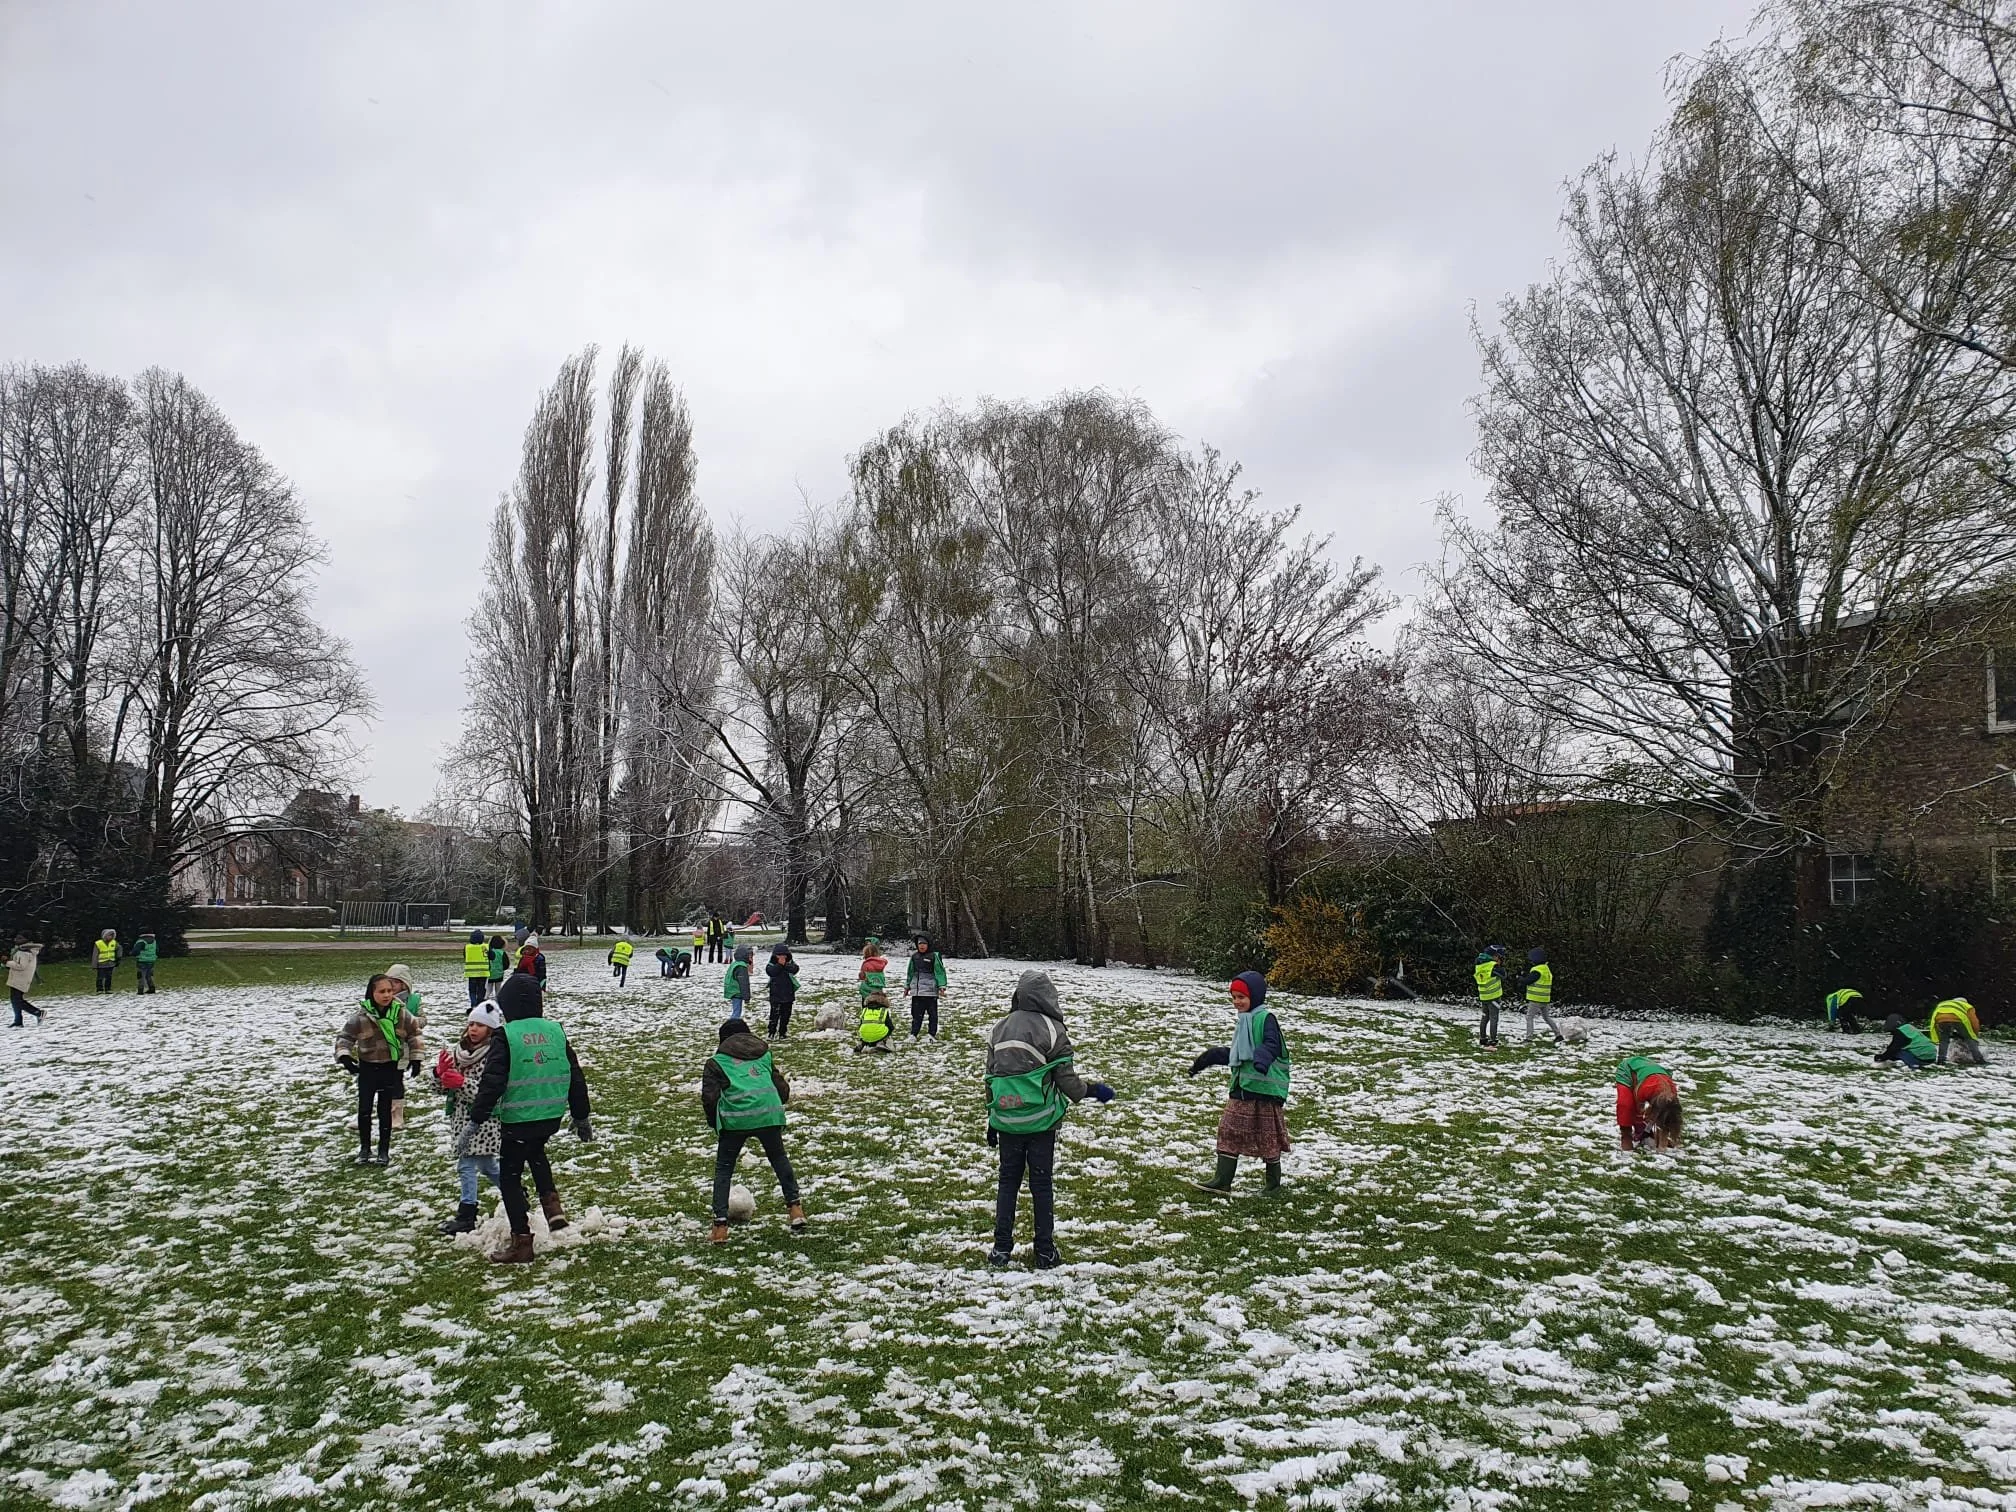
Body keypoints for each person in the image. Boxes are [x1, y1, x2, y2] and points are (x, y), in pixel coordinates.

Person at [984, 968, 1113, 1268]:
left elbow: (991, 1078)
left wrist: (992, 1117)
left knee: (1008, 1181)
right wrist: (1095, 1091)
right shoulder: (1053, 1030)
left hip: (1007, 1120)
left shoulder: (998, 1029)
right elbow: (1069, 1084)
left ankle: (1001, 1248)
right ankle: (1045, 1250)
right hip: (1041, 1121)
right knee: (1041, 1185)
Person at [464, 971, 593, 1264]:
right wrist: (581, 1115)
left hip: (518, 1117)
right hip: (549, 1115)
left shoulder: (506, 1036)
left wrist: (476, 1118)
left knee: (510, 1177)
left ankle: (521, 1241)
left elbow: (492, 1082)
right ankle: (552, 1208)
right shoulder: (556, 1031)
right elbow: (575, 1075)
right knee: (536, 1153)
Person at [702, 1016, 806, 1244]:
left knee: (724, 1169)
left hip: (735, 1120)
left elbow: (709, 1099)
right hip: (768, 1114)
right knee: (779, 1159)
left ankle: (720, 1227)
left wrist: (715, 1123)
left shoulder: (716, 1062)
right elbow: (781, 1088)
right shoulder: (764, 1054)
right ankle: (795, 1209)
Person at [1187, 971, 1292, 1194]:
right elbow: (1236, 1054)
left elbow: (1272, 1045)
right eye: (1234, 997)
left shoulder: (1266, 1019)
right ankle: (1222, 1181)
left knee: (1268, 1138)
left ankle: (1273, 1186)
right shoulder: (1244, 1022)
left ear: (1255, 996)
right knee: (1228, 1131)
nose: (1237, 1002)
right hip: (1242, 1089)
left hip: (1266, 1091)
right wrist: (1204, 1061)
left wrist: (1262, 1060)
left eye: (1241, 997)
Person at [335, 972, 426, 1166]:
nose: (387, 995)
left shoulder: (400, 1013)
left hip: (390, 1068)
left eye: (390, 991)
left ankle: (384, 1150)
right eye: (382, 991)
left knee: (385, 1109)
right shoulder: (361, 1016)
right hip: (368, 1068)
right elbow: (345, 1037)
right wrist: (344, 1056)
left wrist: (416, 1058)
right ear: (372, 993)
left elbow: (415, 1034)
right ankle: (365, 1148)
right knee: (365, 1109)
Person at [431, 1002, 505, 1233]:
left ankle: (467, 1214)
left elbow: (490, 1094)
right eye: (471, 1023)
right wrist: (439, 1074)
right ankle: (513, 1190)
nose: (473, 1029)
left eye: (481, 1025)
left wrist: (462, 1084)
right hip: (461, 1120)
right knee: (486, 1166)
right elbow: (440, 1089)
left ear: (491, 1029)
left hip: (484, 1122)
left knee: (466, 1165)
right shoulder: (458, 1052)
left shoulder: (494, 1055)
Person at [1615, 1055, 1682, 1151]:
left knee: (1666, 1116)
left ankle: (1656, 1137)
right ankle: (1626, 1135)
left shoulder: (1672, 1094)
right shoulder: (1645, 1089)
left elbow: (1668, 1115)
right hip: (1629, 1069)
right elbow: (1638, 1106)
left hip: (1651, 1074)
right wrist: (1640, 1125)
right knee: (1626, 1104)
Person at [907, 935, 948, 1041]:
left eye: (924, 944)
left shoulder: (934, 956)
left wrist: (941, 986)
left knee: (932, 1014)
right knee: (916, 1014)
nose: (922, 946)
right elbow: (910, 973)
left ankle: (931, 1034)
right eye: (920, 944)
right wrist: (907, 986)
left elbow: (939, 972)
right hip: (917, 992)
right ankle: (913, 1034)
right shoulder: (914, 957)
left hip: (930, 992)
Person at [1521, 947, 1563, 1045]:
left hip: (1535, 999)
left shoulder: (1537, 970)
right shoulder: (1546, 969)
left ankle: (1529, 1038)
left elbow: (1527, 981)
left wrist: (1520, 978)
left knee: (1529, 1017)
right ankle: (1558, 1035)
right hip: (1545, 998)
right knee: (1547, 1017)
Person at [1929, 997, 1987, 1066]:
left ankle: (1941, 1060)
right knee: (1969, 1038)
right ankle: (1979, 1059)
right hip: (1957, 1018)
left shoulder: (1945, 1003)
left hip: (1940, 1018)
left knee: (1944, 1040)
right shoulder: (1967, 1006)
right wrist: (1974, 1034)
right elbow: (1974, 1021)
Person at [1473, 946, 1506, 1049]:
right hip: (1494, 997)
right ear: (1495, 956)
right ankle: (1493, 1040)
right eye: (1500, 957)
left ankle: (1482, 1038)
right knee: (1494, 1019)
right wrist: (1499, 966)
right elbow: (1504, 975)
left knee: (1484, 1017)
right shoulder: (1493, 966)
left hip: (1484, 996)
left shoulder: (1479, 965)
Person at [8, 937, 45, 1026]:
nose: (16, 939)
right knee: (15, 1000)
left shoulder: (24, 952)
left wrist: (7, 962)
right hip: (19, 978)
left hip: (20, 978)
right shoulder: (25, 950)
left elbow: (21, 966)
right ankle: (18, 1021)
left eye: (19, 938)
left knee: (17, 1000)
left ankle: (38, 1013)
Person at [765, 943, 800, 1038]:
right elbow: (771, 972)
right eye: (779, 955)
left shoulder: (790, 963)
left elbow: (795, 969)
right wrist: (780, 965)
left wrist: (785, 965)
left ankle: (782, 1032)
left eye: (784, 955)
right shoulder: (771, 965)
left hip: (788, 995)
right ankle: (771, 1031)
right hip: (776, 995)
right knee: (774, 1015)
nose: (782, 957)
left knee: (786, 1016)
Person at [723, 943, 754, 1020]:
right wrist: (747, 997)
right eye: (750, 956)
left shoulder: (735, 964)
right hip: (737, 992)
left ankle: (732, 1025)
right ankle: (732, 1026)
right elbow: (744, 983)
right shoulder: (741, 967)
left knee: (736, 1011)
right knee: (737, 1012)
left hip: (732, 990)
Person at [463, 929, 491, 1008]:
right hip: (483, 972)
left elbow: (465, 956)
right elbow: (492, 957)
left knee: (472, 990)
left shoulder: (467, 947)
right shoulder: (486, 947)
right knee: (481, 989)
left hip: (471, 973)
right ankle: (479, 1003)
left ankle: (473, 1003)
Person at [93, 929, 120, 993]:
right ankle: (99, 989)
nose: (110, 937)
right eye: (109, 935)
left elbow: (118, 950)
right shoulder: (98, 943)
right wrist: (94, 965)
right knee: (100, 977)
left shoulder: (114, 942)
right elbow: (95, 955)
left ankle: (108, 989)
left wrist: (118, 960)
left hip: (111, 963)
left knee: (109, 977)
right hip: (101, 963)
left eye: (112, 935)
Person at [486, 934, 510, 1000]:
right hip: (499, 974)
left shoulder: (489, 952)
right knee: (498, 991)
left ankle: (484, 1001)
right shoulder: (502, 953)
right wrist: (501, 969)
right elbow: (506, 965)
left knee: (488, 990)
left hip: (489, 974)